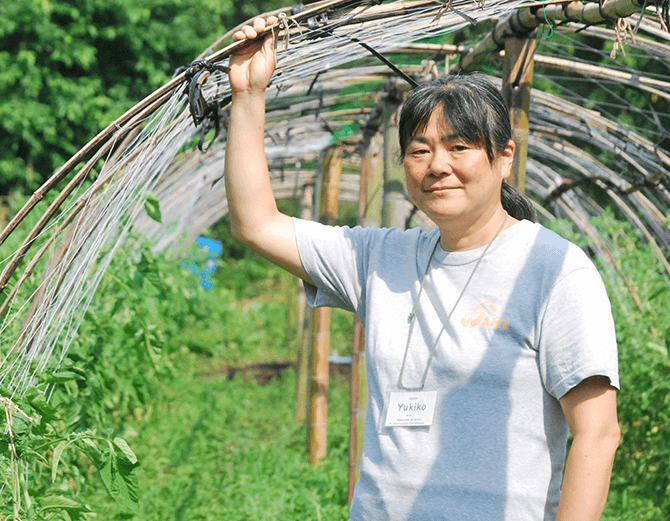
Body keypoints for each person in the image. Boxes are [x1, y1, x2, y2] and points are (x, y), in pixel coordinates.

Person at [225, 17, 621, 521]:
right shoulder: (381, 259)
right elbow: (256, 223)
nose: (437, 165)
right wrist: (249, 93)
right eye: (419, 150)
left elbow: (598, 433)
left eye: (459, 147)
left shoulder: (554, 270)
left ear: (504, 158)